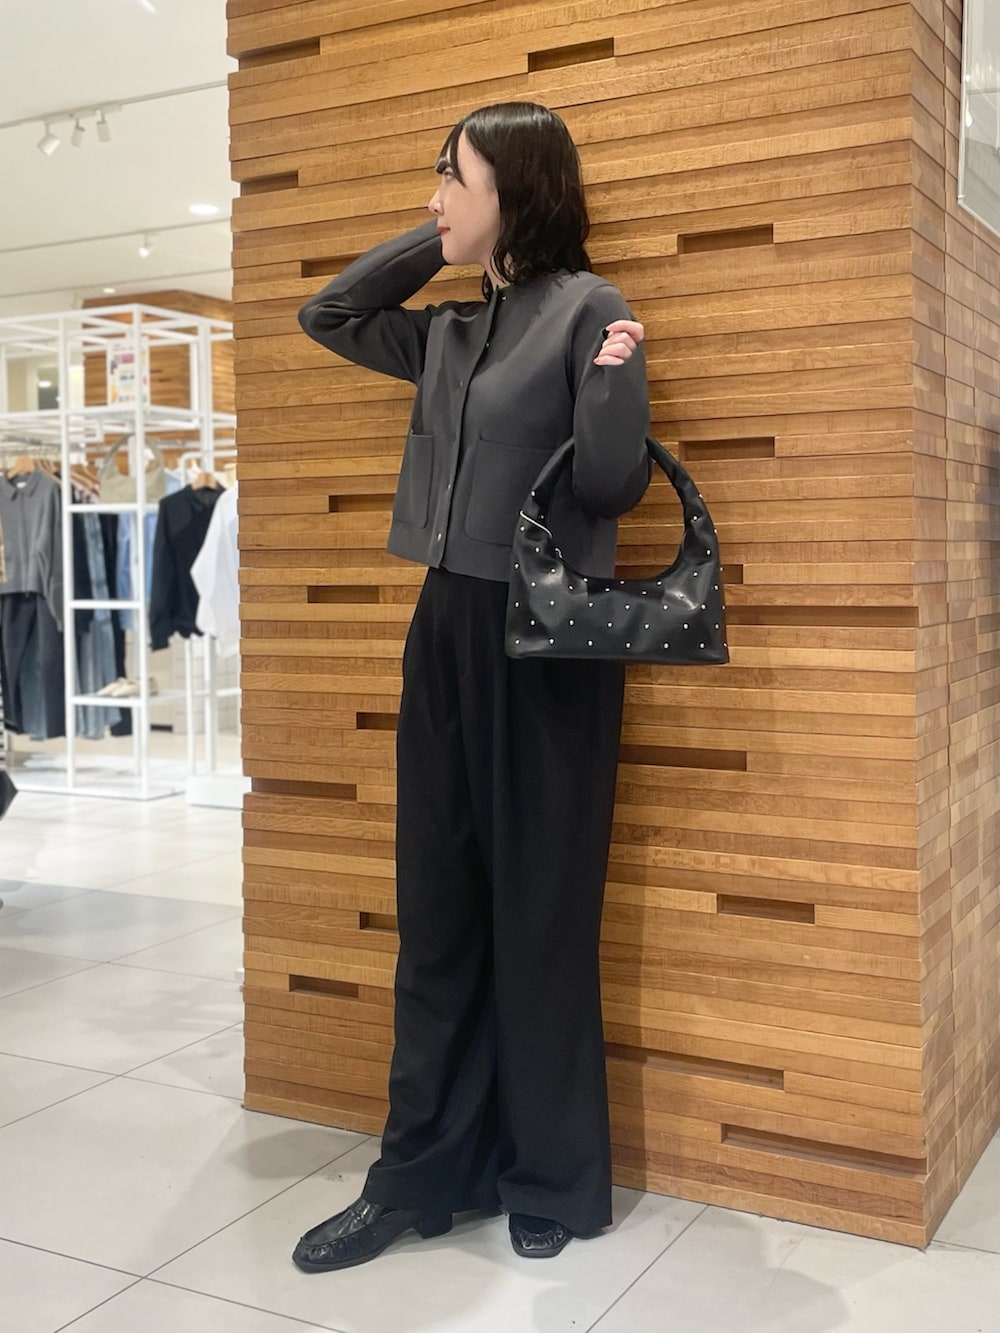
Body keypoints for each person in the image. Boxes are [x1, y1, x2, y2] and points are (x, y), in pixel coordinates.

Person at [292, 101, 650, 1271]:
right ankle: (421, 1174)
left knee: (541, 911)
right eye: (437, 176)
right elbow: (328, 315)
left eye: (455, 177)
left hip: (547, 642)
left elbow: (611, 486)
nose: (436, 193)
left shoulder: (587, 308)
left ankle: (548, 1175)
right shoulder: (446, 332)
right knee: (437, 907)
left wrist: (613, 386)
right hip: (446, 623)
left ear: (520, 188)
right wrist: (436, 239)